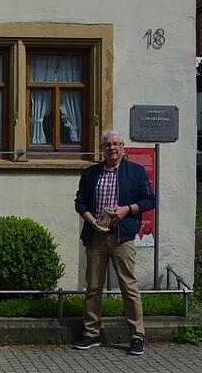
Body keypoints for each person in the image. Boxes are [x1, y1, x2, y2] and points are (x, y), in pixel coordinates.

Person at [73, 130, 156, 355]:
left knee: (129, 286)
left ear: (123, 147)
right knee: (93, 286)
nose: (112, 147)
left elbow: (150, 200)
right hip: (96, 235)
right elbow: (79, 202)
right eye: (108, 144)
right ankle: (92, 334)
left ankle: (137, 336)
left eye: (116, 144)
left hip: (122, 235)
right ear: (102, 148)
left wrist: (127, 210)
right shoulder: (91, 173)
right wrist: (91, 221)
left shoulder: (136, 172)